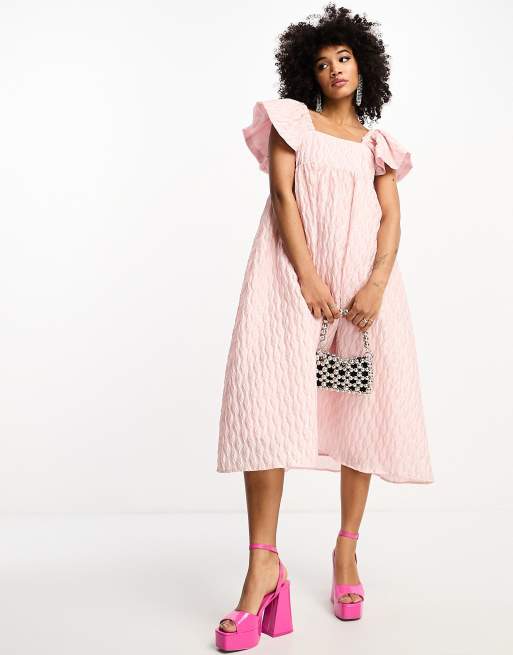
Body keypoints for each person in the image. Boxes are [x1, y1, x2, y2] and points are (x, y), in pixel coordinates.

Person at [214, 4, 435, 651]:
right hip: (288, 279)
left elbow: (390, 219)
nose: (334, 69)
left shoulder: (376, 145)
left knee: (357, 415)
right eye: (320, 62)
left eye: (343, 57)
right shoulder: (293, 122)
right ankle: (263, 566)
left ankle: (346, 550)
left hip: (362, 294)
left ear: (364, 66)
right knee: (266, 409)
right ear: (305, 73)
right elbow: (282, 196)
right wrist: (308, 276)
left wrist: (375, 285)